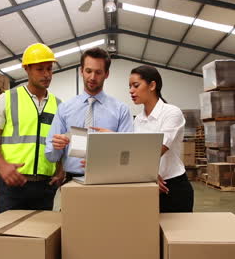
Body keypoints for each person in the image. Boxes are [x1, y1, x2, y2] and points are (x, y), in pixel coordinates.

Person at [93, 65, 194, 213]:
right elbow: (131, 152)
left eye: (136, 85)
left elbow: (156, 151)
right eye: (129, 86)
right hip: (148, 184)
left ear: (152, 85)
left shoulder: (172, 113)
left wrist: (114, 139)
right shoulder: (138, 120)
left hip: (172, 187)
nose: (131, 91)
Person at [0, 43, 64, 213]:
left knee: (41, 237)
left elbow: (62, 143)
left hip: (46, 187)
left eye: (49, 69)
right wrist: (2, 165)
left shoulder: (59, 105)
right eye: (40, 69)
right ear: (27, 69)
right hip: (13, 185)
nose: (47, 74)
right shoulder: (7, 99)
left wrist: (61, 170)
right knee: (8, 236)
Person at [45, 47, 133, 180]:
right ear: (81, 71)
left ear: (106, 74)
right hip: (72, 179)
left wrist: (115, 139)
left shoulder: (121, 110)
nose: (92, 77)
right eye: (88, 71)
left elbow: (129, 154)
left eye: (98, 72)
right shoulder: (64, 108)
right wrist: (56, 146)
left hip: (110, 179)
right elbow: (51, 157)